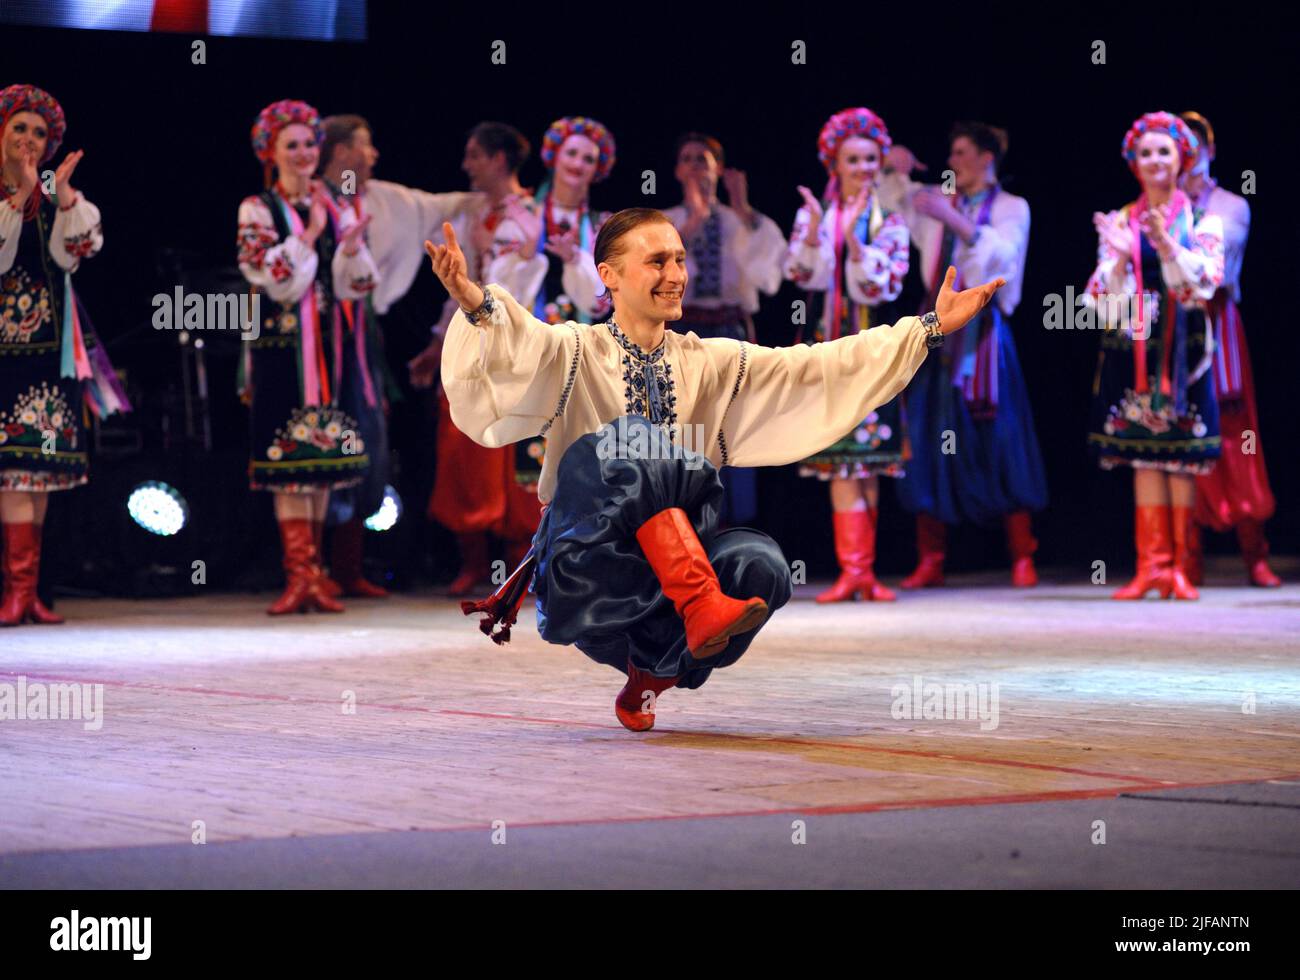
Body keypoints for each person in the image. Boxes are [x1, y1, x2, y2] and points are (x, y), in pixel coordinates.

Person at [432, 207, 1004, 731]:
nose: (675, 273)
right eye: (656, 261)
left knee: (765, 566)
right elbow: (517, 343)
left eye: (680, 259)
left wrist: (926, 327)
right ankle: (697, 604)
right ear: (608, 275)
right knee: (632, 442)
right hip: (590, 576)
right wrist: (474, 298)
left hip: (661, 602)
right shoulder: (574, 349)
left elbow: (815, 366)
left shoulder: (708, 362)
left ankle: (652, 675)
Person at [316, 113, 484, 597]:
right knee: (324, 432)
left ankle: (348, 568)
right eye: (365, 146)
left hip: (364, 330)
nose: (373, 155)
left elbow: (444, 204)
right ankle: (311, 568)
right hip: (316, 331)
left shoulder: (387, 198)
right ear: (342, 151)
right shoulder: (312, 201)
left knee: (365, 435)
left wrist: (501, 197)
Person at [880, 121, 1047, 588]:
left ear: (985, 157)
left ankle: (1022, 554)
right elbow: (891, 201)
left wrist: (954, 221)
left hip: (985, 334)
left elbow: (1004, 261)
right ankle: (930, 558)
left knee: (1001, 436)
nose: (952, 161)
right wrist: (895, 167)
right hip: (935, 330)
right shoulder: (937, 198)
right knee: (930, 435)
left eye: (960, 152)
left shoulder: (1013, 208)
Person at [238, 98, 380, 614]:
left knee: (320, 460)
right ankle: (297, 574)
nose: (302, 153)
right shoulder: (257, 209)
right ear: (271, 153)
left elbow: (355, 283)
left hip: (329, 348)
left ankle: (315, 575)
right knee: (289, 459)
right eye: (290, 144)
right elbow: (272, 280)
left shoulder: (334, 202)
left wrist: (348, 246)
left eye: (307, 144)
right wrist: (316, 234)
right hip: (281, 350)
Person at [0, 84, 126, 627]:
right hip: (4, 352)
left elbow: (78, 253)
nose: (30, 139)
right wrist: (18, 198)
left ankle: (29, 593)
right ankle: (15, 591)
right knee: (10, 473)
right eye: (20, 128)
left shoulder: (57, 189)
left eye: (40, 132)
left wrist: (62, 197)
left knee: (35, 469)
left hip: (49, 354)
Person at [1086, 111, 1224, 600]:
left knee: (1181, 459)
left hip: (1184, 351)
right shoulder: (1123, 218)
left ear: (1181, 158)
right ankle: (1151, 566)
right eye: (1145, 152)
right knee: (1144, 457)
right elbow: (1097, 301)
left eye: (1163, 151)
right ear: (1134, 162)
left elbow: (1207, 281)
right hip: (1135, 348)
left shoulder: (1204, 220)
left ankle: (1181, 569)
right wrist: (1121, 256)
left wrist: (1167, 246)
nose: (1154, 160)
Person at [406, 122, 543, 594]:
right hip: (471, 347)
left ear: (499, 159)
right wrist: (436, 343)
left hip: (515, 348)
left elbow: (516, 292)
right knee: (464, 450)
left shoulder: (529, 216)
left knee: (516, 458)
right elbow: (456, 291)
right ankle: (474, 563)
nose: (466, 165)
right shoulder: (470, 219)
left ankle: (519, 567)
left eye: (475, 156)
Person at [782, 107, 911, 602]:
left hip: (873, 341)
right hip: (829, 344)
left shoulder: (890, 220)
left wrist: (856, 243)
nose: (861, 168)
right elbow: (801, 274)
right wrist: (819, 231)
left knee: (870, 456)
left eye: (870, 160)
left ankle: (864, 571)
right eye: (851, 159)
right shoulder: (815, 214)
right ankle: (853, 570)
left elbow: (885, 284)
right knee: (841, 458)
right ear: (833, 163)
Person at [1178, 111, 1279, 587]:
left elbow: (1216, 262)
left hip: (1218, 324)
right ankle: (1185, 558)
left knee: (1238, 436)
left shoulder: (1231, 205)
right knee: (1181, 438)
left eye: (1193, 146)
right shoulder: (1160, 205)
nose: (1186, 156)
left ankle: (1255, 555)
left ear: (1210, 151)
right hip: (1176, 328)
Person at [663, 132, 784, 526]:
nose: (697, 165)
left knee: (733, 429)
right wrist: (695, 221)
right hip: (684, 334)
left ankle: (737, 526)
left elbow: (769, 279)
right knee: (688, 432)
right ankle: (691, 527)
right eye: (688, 158)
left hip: (729, 330)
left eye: (705, 158)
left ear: (719, 167)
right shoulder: (669, 223)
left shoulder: (742, 220)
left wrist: (744, 209)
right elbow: (661, 272)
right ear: (678, 170)